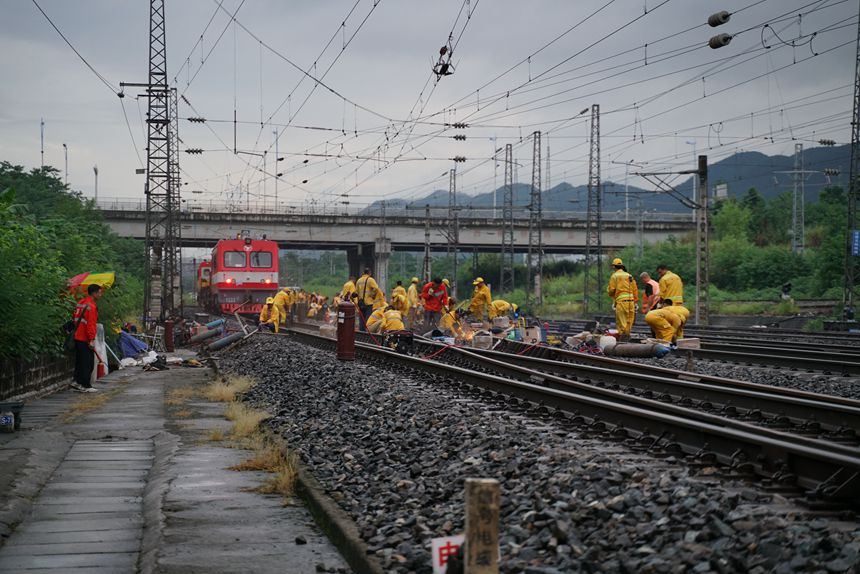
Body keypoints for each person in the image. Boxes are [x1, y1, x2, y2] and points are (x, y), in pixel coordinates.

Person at [71, 284, 102, 393]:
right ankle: (86, 385)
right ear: (94, 293)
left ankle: (76, 382)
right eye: (99, 292)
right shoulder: (92, 307)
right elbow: (91, 325)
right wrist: (91, 339)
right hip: (85, 338)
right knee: (87, 363)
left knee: (79, 362)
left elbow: (74, 318)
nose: (100, 294)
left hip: (77, 336)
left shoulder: (80, 303)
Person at [607, 258, 638, 341]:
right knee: (629, 321)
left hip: (621, 302)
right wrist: (635, 302)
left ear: (614, 267)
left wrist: (610, 294)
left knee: (621, 321)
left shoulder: (615, 276)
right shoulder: (629, 275)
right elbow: (634, 289)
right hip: (631, 302)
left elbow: (611, 290)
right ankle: (627, 336)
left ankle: (623, 338)